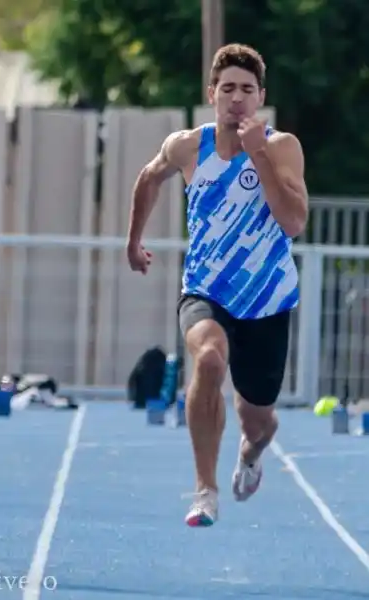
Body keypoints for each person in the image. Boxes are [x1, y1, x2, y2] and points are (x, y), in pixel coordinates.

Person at [125, 44, 307, 527]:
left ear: (261, 97)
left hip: (266, 300)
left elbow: (293, 223)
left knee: (258, 420)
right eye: (227, 89)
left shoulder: (282, 146)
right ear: (212, 95)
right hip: (206, 288)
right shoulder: (188, 145)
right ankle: (204, 490)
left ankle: (250, 453)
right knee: (206, 357)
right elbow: (149, 177)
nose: (237, 99)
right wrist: (133, 240)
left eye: (247, 90)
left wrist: (260, 158)